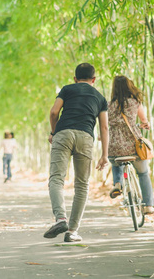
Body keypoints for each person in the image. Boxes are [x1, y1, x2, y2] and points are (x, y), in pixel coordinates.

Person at [44, 63, 109, 243]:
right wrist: (105, 154)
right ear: (94, 80)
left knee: (56, 178)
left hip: (63, 133)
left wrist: (53, 132)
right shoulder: (100, 97)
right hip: (86, 136)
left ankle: (60, 219)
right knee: (82, 184)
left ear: (75, 78)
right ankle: (72, 231)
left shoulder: (67, 89)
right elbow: (104, 126)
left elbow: (54, 111)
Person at [107, 75, 154, 214]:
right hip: (134, 146)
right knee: (143, 173)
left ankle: (117, 183)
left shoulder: (108, 105)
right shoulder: (135, 103)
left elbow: (105, 125)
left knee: (115, 160)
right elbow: (144, 120)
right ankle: (148, 205)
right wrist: (144, 125)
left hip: (115, 145)